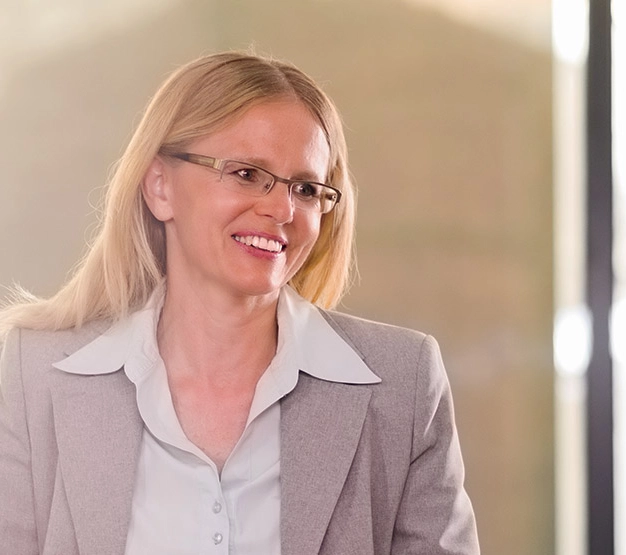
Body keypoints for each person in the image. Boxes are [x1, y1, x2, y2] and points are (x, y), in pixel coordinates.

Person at [0, 51, 480, 554]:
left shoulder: (403, 383)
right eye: (247, 174)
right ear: (160, 186)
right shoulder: (38, 377)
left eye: (306, 187)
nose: (281, 209)